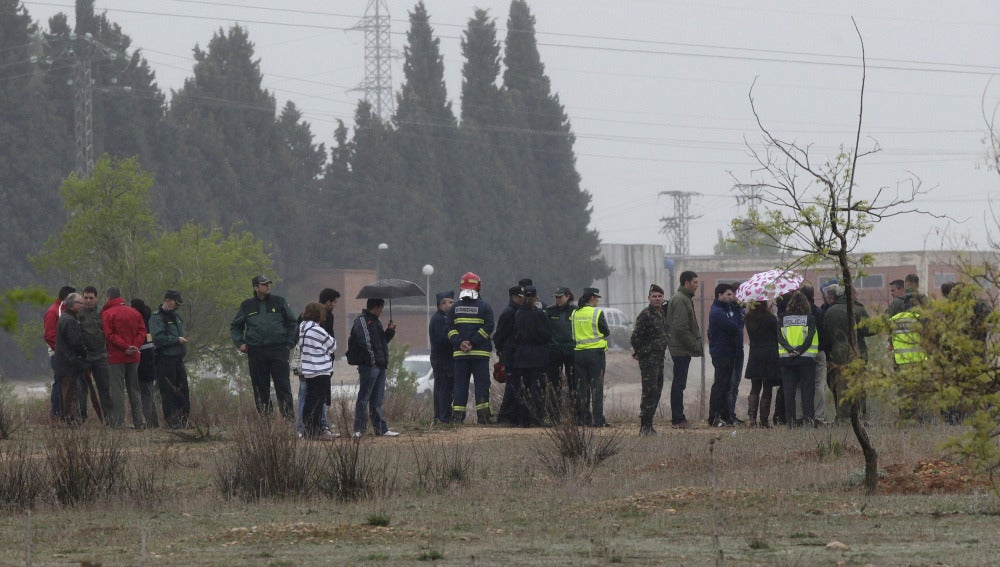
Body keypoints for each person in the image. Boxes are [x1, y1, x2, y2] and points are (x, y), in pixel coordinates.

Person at [230, 275, 298, 419]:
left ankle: (288, 420)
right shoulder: (247, 305)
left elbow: (293, 323)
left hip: (279, 351)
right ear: (256, 288)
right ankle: (265, 423)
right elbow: (235, 326)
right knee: (260, 388)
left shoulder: (279, 302)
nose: (268, 286)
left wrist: (289, 344)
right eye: (264, 284)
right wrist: (240, 343)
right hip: (256, 352)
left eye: (268, 284)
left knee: (283, 386)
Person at [447, 272, 495, 424]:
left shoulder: (454, 308)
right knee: (482, 385)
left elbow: (449, 328)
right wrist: (473, 342)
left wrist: (460, 343)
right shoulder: (485, 307)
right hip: (480, 354)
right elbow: (488, 327)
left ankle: (457, 418)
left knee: (460, 385)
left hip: (460, 354)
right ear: (478, 286)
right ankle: (483, 417)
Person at [348, 298, 399, 437]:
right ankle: (359, 429)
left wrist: (389, 332)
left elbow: (381, 343)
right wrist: (373, 361)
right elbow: (366, 343)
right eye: (381, 308)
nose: (382, 311)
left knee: (377, 399)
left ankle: (381, 429)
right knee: (364, 398)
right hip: (370, 366)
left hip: (380, 366)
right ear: (375, 307)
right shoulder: (362, 321)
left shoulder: (376, 322)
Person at [823, 284, 874, 422]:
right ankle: (860, 416)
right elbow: (870, 330)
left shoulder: (830, 312)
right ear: (852, 295)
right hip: (857, 352)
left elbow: (826, 336)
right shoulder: (858, 310)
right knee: (859, 385)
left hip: (837, 353)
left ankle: (842, 417)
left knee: (841, 385)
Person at [101, 287, 147, 429]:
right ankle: (140, 422)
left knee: (117, 390)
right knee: (134, 389)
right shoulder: (135, 313)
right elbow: (142, 331)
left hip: (116, 356)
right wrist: (134, 346)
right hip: (134, 356)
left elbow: (109, 335)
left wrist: (125, 347)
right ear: (120, 297)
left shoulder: (107, 313)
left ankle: (119, 423)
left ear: (108, 297)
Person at [297, 288, 340, 435]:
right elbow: (332, 344)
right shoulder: (317, 329)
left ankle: (307, 429)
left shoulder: (302, 326)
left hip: (307, 368)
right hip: (320, 368)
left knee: (309, 399)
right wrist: (326, 352)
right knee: (319, 400)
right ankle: (317, 428)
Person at [631, 284, 670, 436]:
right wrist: (643, 353)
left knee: (657, 390)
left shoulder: (661, 314)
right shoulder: (645, 315)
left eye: (660, 296)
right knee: (649, 391)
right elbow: (635, 338)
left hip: (659, 358)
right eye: (654, 296)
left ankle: (650, 425)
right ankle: (644, 427)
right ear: (649, 298)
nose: (657, 299)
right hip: (649, 360)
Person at [510, 287, 552, 426]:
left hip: (521, 356)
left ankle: (523, 419)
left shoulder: (519, 313)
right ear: (535, 298)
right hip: (536, 356)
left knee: (523, 388)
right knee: (537, 389)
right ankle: (537, 418)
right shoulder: (539, 314)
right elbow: (546, 334)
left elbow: (515, 334)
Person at [666, 270, 703, 429]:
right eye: (694, 282)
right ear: (686, 283)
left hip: (682, 348)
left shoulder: (684, 298)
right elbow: (681, 328)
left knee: (679, 383)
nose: (696, 285)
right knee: (679, 384)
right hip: (680, 349)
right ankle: (677, 419)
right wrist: (693, 345)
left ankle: (679, 418)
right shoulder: (681, 299)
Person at [777, 291, 819, 427]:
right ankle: (809, 420)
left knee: (789, 392)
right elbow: (810, 337)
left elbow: (779, 337)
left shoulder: (782, 318)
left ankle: (791, 422)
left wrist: (790, 350)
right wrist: (800, 350)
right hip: (806, 359)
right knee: (807, 391)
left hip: (787, 359)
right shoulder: (810, 318)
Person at [150, 290, 191, 428]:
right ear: (168, 301)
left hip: (178, 359)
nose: (178, 306)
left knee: (183, 390)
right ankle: (173, 421)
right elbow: (157, 338)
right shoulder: (157, 317)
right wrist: (176, 340)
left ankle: (184, 420)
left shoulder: (177, 317)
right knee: (169, 392)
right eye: (176, 303)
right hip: (165, 360)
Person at [572, 287, 610, 427]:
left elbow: (574, 334)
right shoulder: (597, 312)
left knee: (582, 388)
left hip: (579, 354)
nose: (598, 301)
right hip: (595, 354)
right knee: (596, 388)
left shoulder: (575, 313)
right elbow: (606, 331)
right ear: (592, 298)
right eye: (597, 298)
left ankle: (583, 419)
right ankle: (598, 420)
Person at [708, 283, 742, 427]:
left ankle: (725, 415)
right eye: (728, 295)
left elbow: (738, 324)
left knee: (727, 385)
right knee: (720, 385)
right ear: (719, 295)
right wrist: (737, 318)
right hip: (721, 353)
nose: (731, 297)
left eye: (732, 294)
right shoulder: (717, 311)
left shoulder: (729, 309)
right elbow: (734, 327)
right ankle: (713, 416)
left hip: (730, 352)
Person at [744, 300, 781, 428]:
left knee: (755, 387)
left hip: (755, 354)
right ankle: (764, 420)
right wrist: (774, 315)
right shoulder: (770, 319)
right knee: (767, 387)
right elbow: (777, 335)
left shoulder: (748, 319)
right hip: (769, 354)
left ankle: (751, 418)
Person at [79, 286, 112, 422]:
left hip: (101, 356)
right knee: (82, 389)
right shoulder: (78, 313)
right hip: (84, 357)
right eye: (85, 298)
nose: (88, 301)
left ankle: (110, 418)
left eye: (91, 298)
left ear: (96, 298)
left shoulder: (103, 313)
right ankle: (81, 418)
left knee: (104, 388)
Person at [494, 285, 525, 426]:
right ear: (514, 297)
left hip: (517, 355)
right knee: (511, 387)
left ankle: (516, 417)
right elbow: (499, 335)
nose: (522, 299)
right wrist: (502, 352)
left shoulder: (519, 311)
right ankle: (505, 417)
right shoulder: (509, 313)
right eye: (520, 297)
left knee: (517, 386)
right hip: (510, 355)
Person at [53, 293, 87, 424]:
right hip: (69, 362)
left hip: (63, 362)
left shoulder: (65, 318)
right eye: (80, 303)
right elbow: (75, 342)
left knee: (66, 392)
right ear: (72, 304)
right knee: (69, 392)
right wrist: (84, 353)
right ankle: (69, 420)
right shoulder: (69, 320)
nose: (82, 305)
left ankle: (68, 418)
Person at [43, 285, 76, 420]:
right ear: (66, 298)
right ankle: (56, 415)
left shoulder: (68, 311)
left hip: (69, 354)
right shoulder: (53, 312)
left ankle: (67, 415)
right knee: (59, 383)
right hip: (58, 355)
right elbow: (49, 336)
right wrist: (61, 351)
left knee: (69, 384)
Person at [545, 287, 576, 422]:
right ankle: (554, 416)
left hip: (570, 351)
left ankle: (574, 415)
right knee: (553, 384)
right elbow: (546, 329)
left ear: (568, 296)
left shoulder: (574, 311)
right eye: (556, 297)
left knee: (573, 383)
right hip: (554, 351)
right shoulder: (550, 311)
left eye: (560, 297)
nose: (558, 300)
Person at [801, 285, 828, 424]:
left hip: (804, 353)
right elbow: (824, 333)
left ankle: (804, 415)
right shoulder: (819, 312)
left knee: (803, 385)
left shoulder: (800, 314)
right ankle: (819, 416)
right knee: (819, 385)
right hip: (819, 352)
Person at [131, 298, 159, 428]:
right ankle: (151, 422)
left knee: (144, 392)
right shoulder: (149, 321)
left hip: (142, 362)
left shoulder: (139, 323)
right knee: (148, 392)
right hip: (150, 362)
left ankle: (145, 421)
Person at [429, 290, 455, 424]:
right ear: (440, 304)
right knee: (444, 389)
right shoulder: (440, 319)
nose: (450, 305)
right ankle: (444, 417)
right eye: (446, 303)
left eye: (451, 302)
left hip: (441, 359)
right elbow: (442, 339)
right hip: (442, 360)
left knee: (441, 388)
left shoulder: (442, 318)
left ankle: (439, 416)